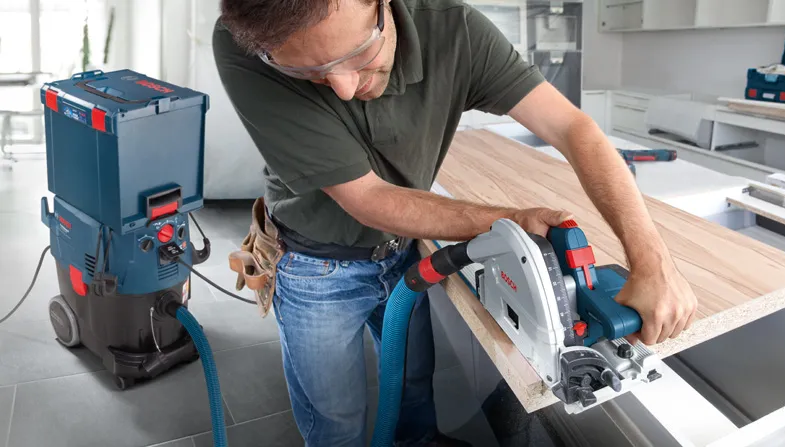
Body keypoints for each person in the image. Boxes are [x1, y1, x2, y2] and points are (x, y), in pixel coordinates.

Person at [212, 0, 699, 445]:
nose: (343, 87)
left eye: (360, 53)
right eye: (311, 73)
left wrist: (652, 263)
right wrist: (512, 221)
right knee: (335, 418)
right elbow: (368, 199)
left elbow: (574, 127)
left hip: (402, 251)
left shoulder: (456, 29)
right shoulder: (244, 43)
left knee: (413, 386)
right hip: (314, 263)